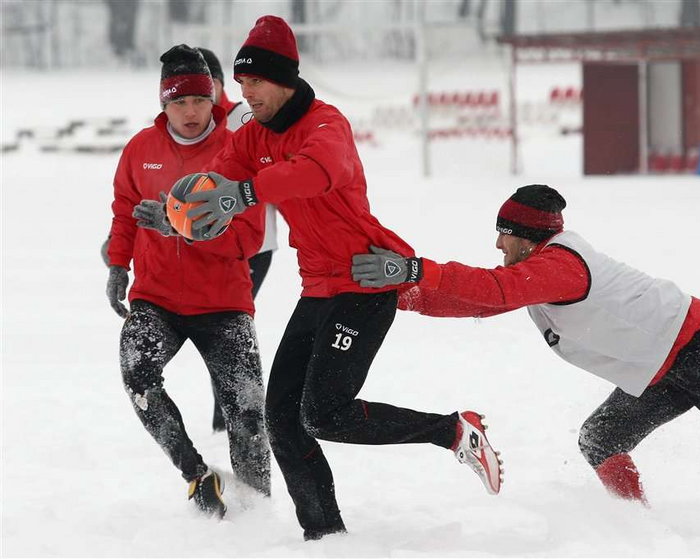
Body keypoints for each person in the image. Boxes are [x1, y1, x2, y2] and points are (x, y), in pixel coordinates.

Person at [177, 16, 502, 540]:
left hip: (366, 282)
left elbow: (314, 173)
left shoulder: (328, 125)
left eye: (255, 81)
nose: (246, 92)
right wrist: (191, 209)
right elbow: (222, 175)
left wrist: (241, 195)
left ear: (283, 79)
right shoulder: (251, 137)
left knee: (325, 415)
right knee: (281, 419)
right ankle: (325, 537)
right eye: (240, 83)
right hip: (318, 289)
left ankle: (452, 430)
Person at [351, 184, 700, 504]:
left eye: (503, 234)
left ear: (526, 236)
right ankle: (637, 529)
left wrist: (414, 270)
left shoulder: (559, 266)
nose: (498, 245)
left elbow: (494, 291)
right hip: (657, 372)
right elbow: (484, 304)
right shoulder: (535, 272)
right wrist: (405, 299)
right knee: (600, 440)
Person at [105, 44, 271, 518]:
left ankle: (257, 512)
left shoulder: (237, 151)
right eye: (179, 102)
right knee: (137, 376)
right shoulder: (141, 148)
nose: (191, 111)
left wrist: (179, 225)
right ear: (164, 104)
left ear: (213, 96)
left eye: (199, 100)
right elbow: (124, 211)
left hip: (223, 303)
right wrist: (119, 264)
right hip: (156, 299)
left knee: (246, 412)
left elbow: (248, 238)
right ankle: (197, 474)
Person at [198, 47, 280, 433]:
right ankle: (229, 419)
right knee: (218, 327)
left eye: (202, 88)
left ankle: (233, 420)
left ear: (216, 84)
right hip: (211, 245)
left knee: (226, 326)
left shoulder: (242, 117)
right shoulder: (191, 124)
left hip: (253, 244)